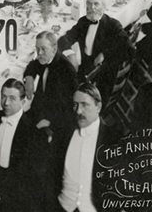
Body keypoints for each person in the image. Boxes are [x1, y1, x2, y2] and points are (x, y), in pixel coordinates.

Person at [0, 79, 51, 212]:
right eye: (3, 97)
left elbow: (28, 178)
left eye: (12, 98)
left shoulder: (33, 134)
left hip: (15, 197)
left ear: (23, 102)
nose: (6, 103)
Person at [55, 82, 121, 212]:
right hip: (62, 207)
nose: (79, 111)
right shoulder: (64, 135)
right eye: (75, 105)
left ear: (98, 107)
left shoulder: (113, 140)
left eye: (85, 105)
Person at [24, 31, 77, 144]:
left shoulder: (66, 70)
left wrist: (49, 123)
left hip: (55, 122)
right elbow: (33, 65)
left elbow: (70, 109)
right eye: (37, 49)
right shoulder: (47, 58)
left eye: (43, 49)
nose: (39, 53)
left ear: (54, 49)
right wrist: (29, 77)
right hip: (39, 110)